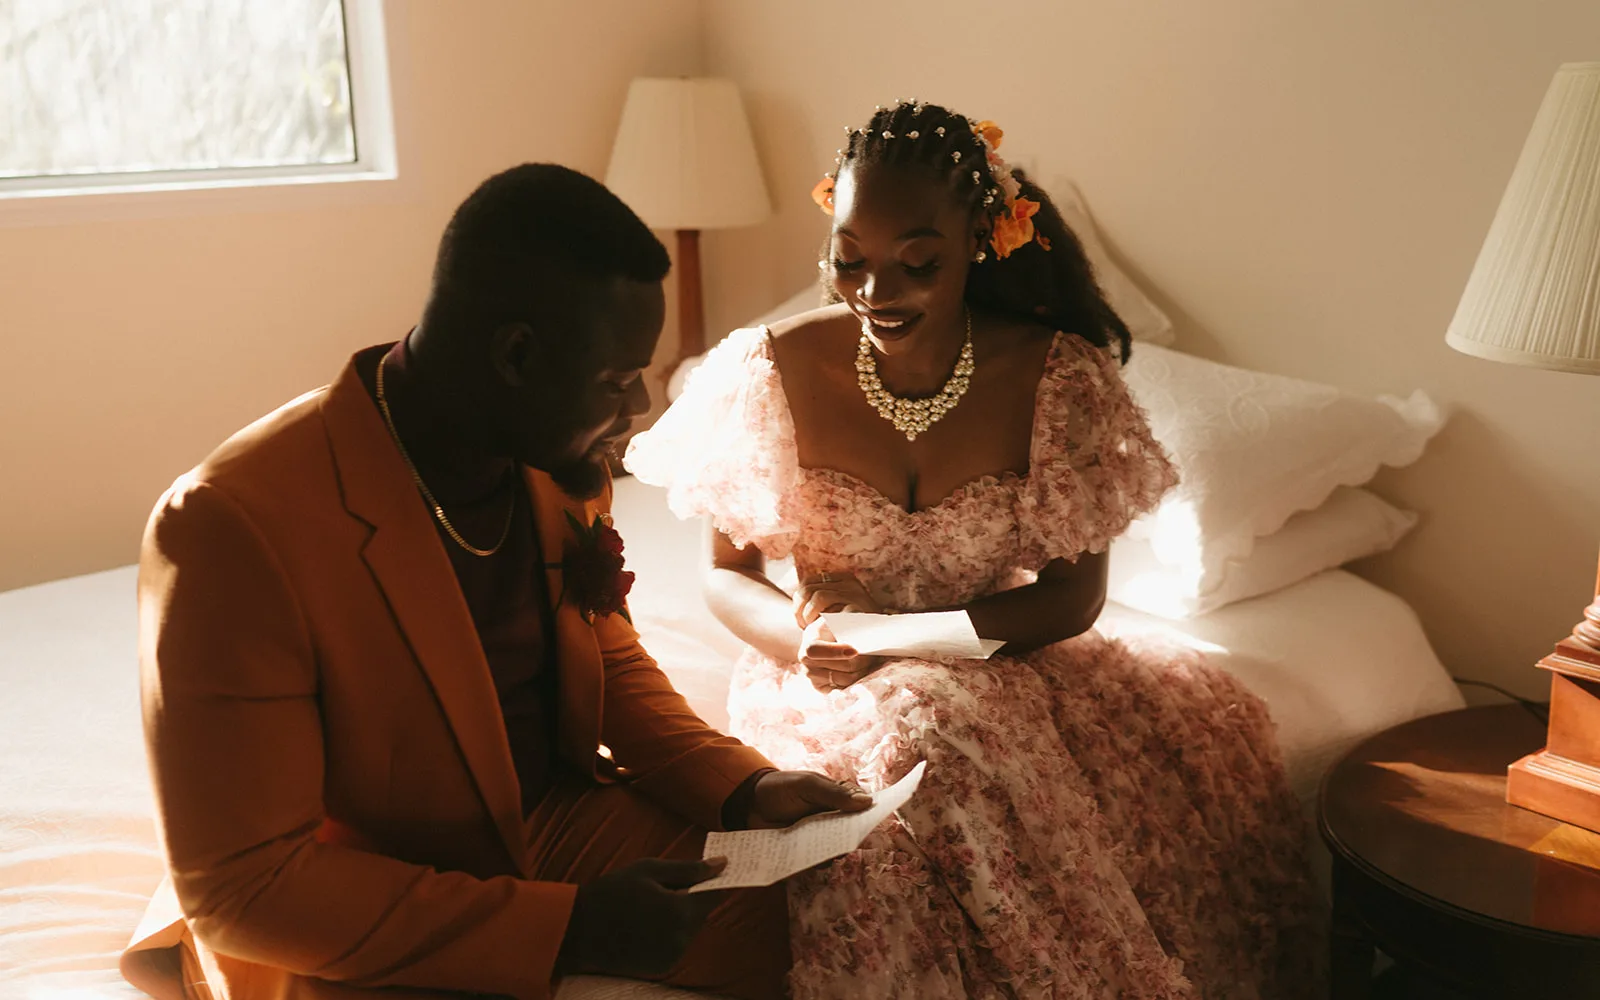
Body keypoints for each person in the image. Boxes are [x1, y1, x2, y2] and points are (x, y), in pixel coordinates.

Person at [120, 163, 873, 1000]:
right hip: (349, 895)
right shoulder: (229, 527)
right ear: (517, 355)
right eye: (616, 383)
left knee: (830, 924)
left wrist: (743, 785)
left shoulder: (549, 458)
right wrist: (568, 929)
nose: (634, 414)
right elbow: (246, 891)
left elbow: (608, 657)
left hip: (544, 823)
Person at [625, 103, 1318, 998]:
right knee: (890, 787)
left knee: (936, 730)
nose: (877, 292)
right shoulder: (768, 374)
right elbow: (727, 576)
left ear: (978, 246)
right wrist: (807, 643)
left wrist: (904, 639)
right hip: (823, 673)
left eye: (918, 263)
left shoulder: (1057, 379)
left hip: (1001, 661)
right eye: (850, 260)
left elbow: (1070, 600)